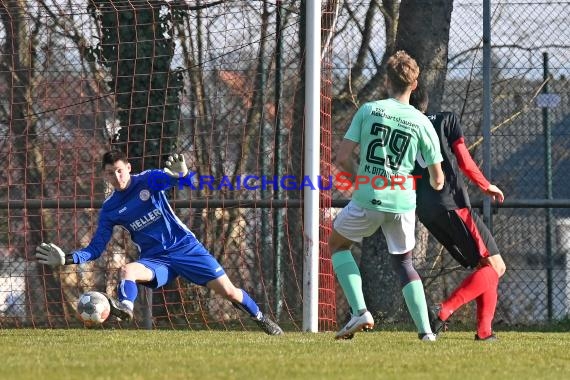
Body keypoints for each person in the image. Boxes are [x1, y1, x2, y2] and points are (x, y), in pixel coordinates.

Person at [35, 150, 284, 335]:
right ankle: (125, 308)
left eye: (120, 170)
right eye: (110, 173)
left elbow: (182, 183)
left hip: (186, 247)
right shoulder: (110, 209)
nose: (117, 176)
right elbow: (95, 248)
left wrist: (183, 174)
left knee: (229, 292)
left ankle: (261, 318)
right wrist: (67, 258)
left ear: (129, 167)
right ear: (104, 175)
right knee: (128, 270)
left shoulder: (149, 180)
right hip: (156, 259)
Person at [330, 50, 445, 341]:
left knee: (338, 245)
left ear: (386, 81)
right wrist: (431, 183)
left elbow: (342, 158)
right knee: (405, 264)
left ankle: (359, 311)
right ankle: (426, 332)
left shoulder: (369, 110)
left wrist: (364, 181)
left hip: (369, 197)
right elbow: (438, 177)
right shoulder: (422, 122)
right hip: (403, 201)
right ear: (415, 85)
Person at [409, 85, 506, 341]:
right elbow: (463, 159)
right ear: (426, 101)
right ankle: (443, 310)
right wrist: (486, 185)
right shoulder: (445, 120)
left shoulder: (403, 128)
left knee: (485, 265)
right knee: (497, 266)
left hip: (426, 212)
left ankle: (484, 333)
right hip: (451, 204)